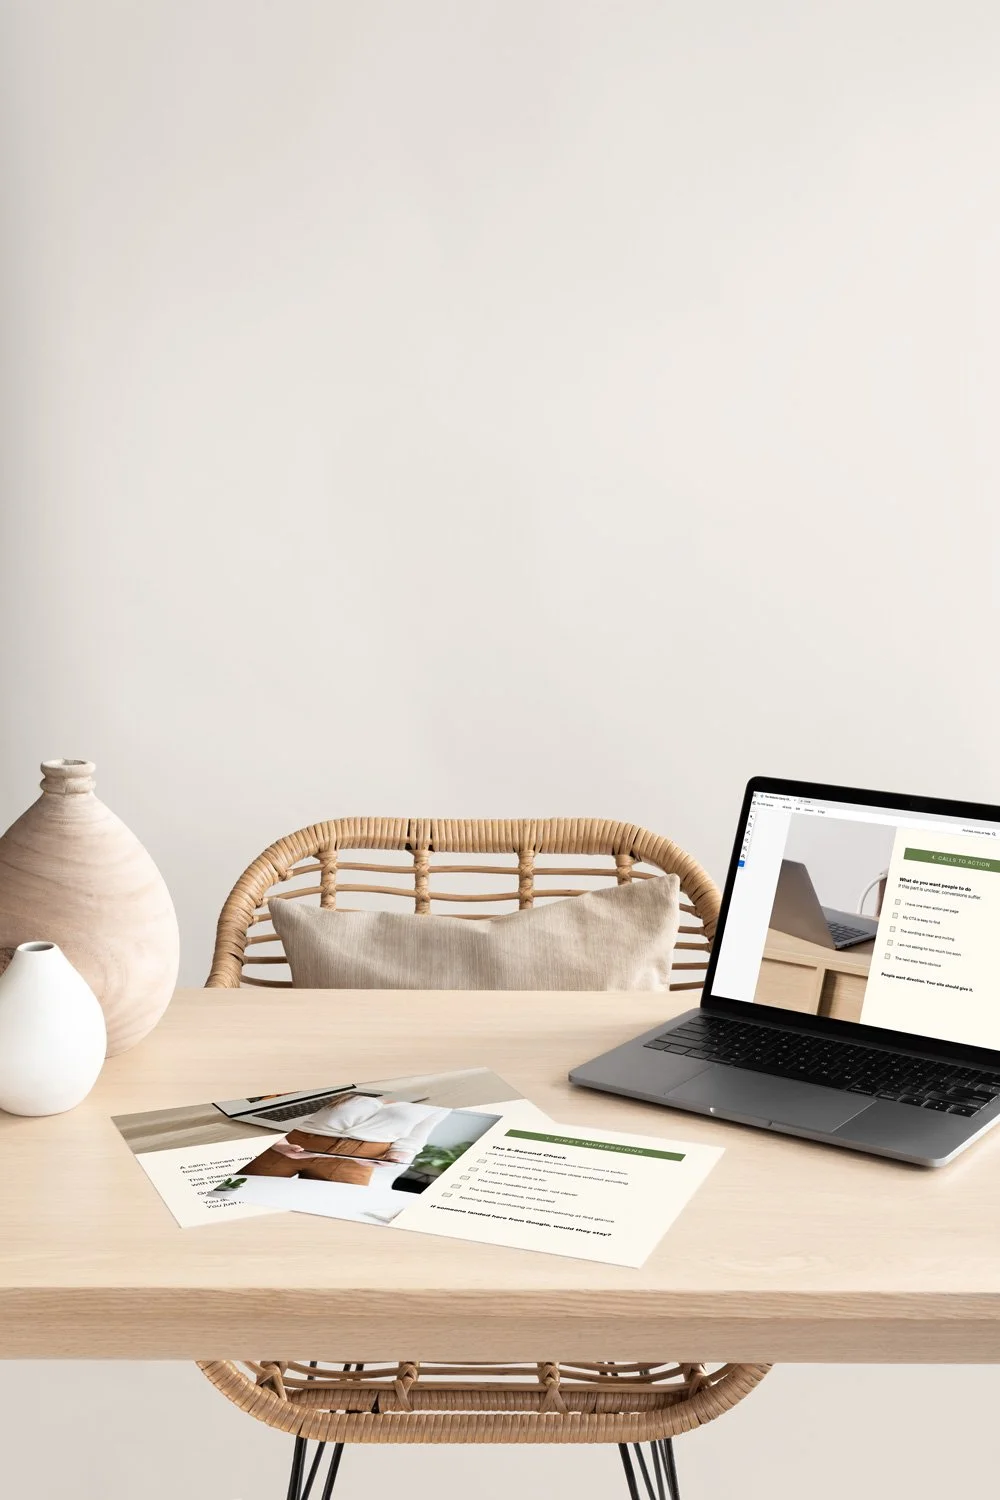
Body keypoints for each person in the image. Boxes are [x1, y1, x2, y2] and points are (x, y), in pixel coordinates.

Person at [240, 1089, 450, 1187]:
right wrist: (279, 1144)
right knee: (239, 1193)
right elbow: (272, 1113)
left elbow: (413, 1139)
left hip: (358, 1161)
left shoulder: (443, 1098)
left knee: (331, 1214)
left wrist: (396, 1157)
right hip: (289, 1146)